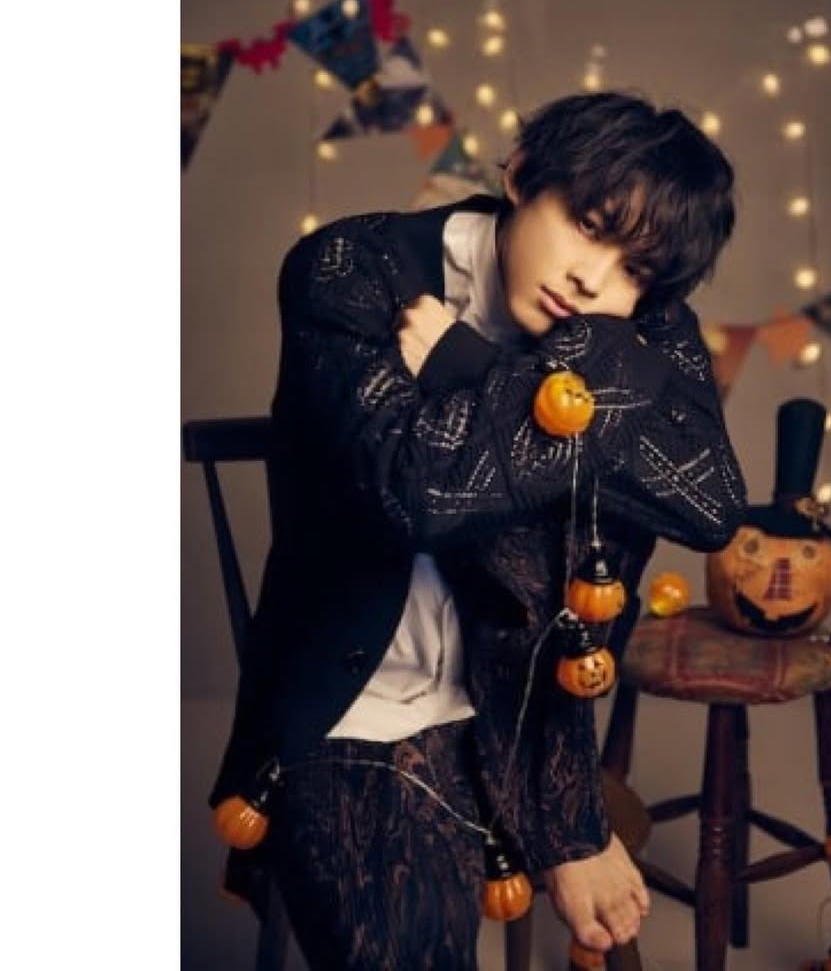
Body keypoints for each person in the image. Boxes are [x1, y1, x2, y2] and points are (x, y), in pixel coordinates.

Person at [207, 90, 748, 969]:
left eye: (634, 269)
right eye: (587, 225)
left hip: (534, 709)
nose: (593, 279)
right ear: (522, 175)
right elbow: (414, 495)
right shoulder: (354, 266)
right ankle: (561, 822)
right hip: (365, 703)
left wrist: (468, 363)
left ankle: (559, 812)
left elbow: (710, 504)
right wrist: (578, 414)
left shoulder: (638, 325)